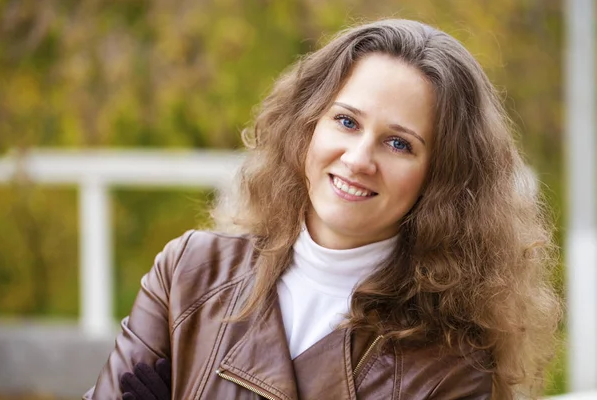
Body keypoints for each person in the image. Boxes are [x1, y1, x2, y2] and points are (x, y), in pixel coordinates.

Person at [84, 18, 561, 400]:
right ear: (308, 124)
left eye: (399, 143)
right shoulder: (189, 273)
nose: (358, 159)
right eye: (346, 121)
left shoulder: (451, 369)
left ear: (441, 177)